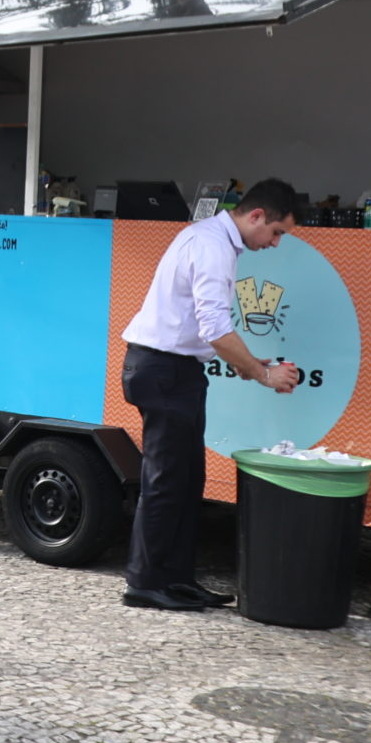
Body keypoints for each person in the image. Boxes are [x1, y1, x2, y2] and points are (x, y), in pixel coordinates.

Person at [120, 177, 304, 611]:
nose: (275, 243)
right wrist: (263, 374)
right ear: (256, 216)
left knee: (187, 480)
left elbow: (208, 332)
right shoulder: (212, 246)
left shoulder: (211, 240)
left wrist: (249, 363)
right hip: (163, 369)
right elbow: (216, 329)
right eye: (277, 232)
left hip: (174, 369)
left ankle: (177, 579)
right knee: (166, 481)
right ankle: (145, 583)